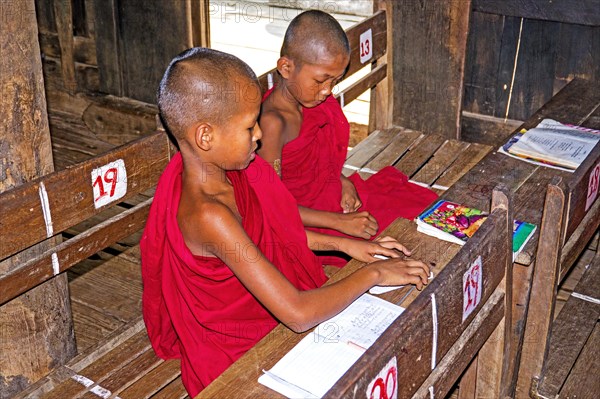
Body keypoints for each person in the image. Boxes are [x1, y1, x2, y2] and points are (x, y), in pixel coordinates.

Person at [141, 47, 431, 397]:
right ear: (206, 137)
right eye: (249, 127)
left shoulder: (229, 171)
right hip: (240, 351)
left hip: (274, 306)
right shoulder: (208, 214)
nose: (259, 136)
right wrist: (375, 274)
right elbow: (296, 313)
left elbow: (275, 232)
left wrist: (344, 244)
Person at [259, 10, 438, 266]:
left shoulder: (311, 99)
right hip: (306, 227)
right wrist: (339, 223)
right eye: (321, 80)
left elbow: (315, 163)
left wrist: (342, 180)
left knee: (426, 211)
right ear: (286, 67)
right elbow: (273, 209)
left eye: (335, 81)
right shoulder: (272, 124)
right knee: (402, 248)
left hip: (336, 200)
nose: (327, 91)